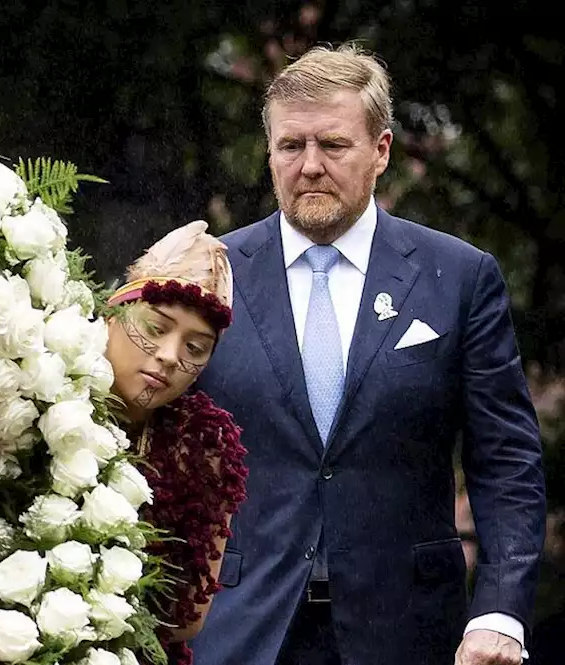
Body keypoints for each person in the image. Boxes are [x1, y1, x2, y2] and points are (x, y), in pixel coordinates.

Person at [188, 44, 546, 665]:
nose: (310, 166)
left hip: (412, 632)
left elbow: (506, 460)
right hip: (242, 631)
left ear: (381, 151)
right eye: (291, 146)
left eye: (333, 145)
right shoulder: (208, 274)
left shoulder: (458, 277)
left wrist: (499, 610)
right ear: (269, 152)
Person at [102, 220, 249, 664]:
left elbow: (187, 617)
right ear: (112, 313)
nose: (169, 356)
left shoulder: (203, 447)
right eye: (156, 326)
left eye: (195, 348)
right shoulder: (34, 387)